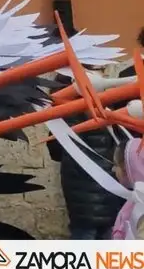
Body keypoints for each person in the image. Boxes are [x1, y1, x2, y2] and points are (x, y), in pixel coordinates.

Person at [47, 71, 124, 239]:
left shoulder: (61, 112)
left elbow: (54, 151)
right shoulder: (109, 107)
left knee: (83, 236)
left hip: (77, 189)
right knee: (109, 239)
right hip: (110, 186)